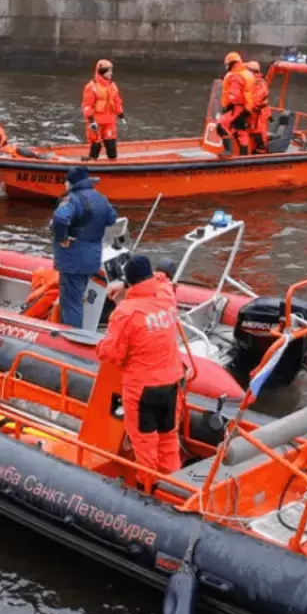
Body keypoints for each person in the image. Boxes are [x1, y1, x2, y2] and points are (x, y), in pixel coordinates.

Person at [96, 256, 186, 475]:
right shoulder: (167, 297)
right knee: (168, 439)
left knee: (145, 445)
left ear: (130, 282)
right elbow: (163, 280)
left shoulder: (126, 312)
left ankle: (148, 490)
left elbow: (111, 353)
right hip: (171, 385)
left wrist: (99, 346)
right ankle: (173, 485)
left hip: (142, 389)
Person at [50, 166, 117, 329]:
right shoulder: (101, 198)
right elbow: (112, 218)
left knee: (71, 302)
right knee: (80, 295)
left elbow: (59, 219)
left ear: (71, 182)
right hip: (93, 256)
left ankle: (72, 339)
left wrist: (62, 238)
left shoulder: (72, 199)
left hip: (73, 259)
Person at [81, 59, 125, 161]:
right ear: (102, 72)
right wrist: (91, 120)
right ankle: (91, 163)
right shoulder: (91, 87)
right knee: (96, 144)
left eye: (111, 71)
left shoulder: (112, 86)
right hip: (96, 122)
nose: (111, 73)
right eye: (108, 71)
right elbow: (87, 106)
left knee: (111, 145)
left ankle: (113, 166)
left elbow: (117, 101)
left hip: (109, 121)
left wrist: (121, 115)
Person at [216, 52, 256, 158]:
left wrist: (229, 105)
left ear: (232, 63)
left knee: (221, 125)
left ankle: (228, 151)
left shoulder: (236, 76)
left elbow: (235, 94)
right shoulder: (246, 73)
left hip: (237, 107)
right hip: (246, 107)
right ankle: (244, 156)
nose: (226, 67)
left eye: (227, 64)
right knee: (241, 130)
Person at [245, 60, 271, 155]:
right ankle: (250, 151)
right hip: (252, 114)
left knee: (259, 135)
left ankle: (261, 156)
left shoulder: (259, 84)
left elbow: (254, 101)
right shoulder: (250, 82)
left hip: (259, 115)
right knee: (250, 134)